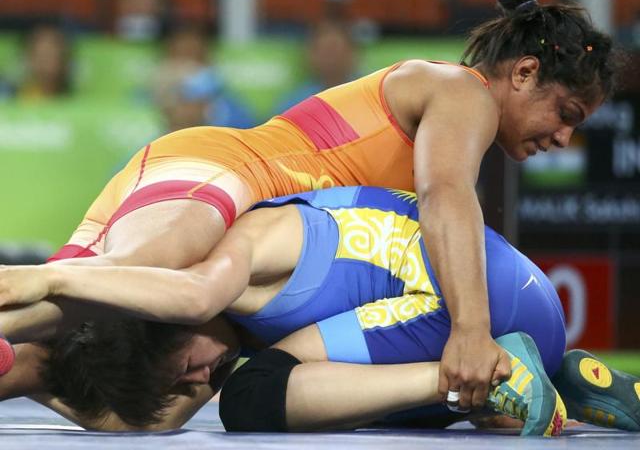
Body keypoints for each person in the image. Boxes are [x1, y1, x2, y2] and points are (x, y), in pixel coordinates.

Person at [2, 0, 619, 409]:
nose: (564, 138)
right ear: (525, 72)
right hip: (223, 172)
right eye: (565, 112)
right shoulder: (463, 92)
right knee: (100, 290)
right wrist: (470, 330)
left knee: (75, 367)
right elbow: (444, 197)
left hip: (195, 184)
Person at [3, 187, 637, 434]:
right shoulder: (210, 332)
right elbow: (150, 425)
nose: (199, 383)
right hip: (504, 295)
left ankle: (498, 377)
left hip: (466, 299)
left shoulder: (228, 258)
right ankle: (561, 380)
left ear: (160, 318)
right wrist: (37, 379)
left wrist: (44, 283)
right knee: (363, 404)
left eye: (183, 369)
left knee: (252, 399)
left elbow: (191, 302)